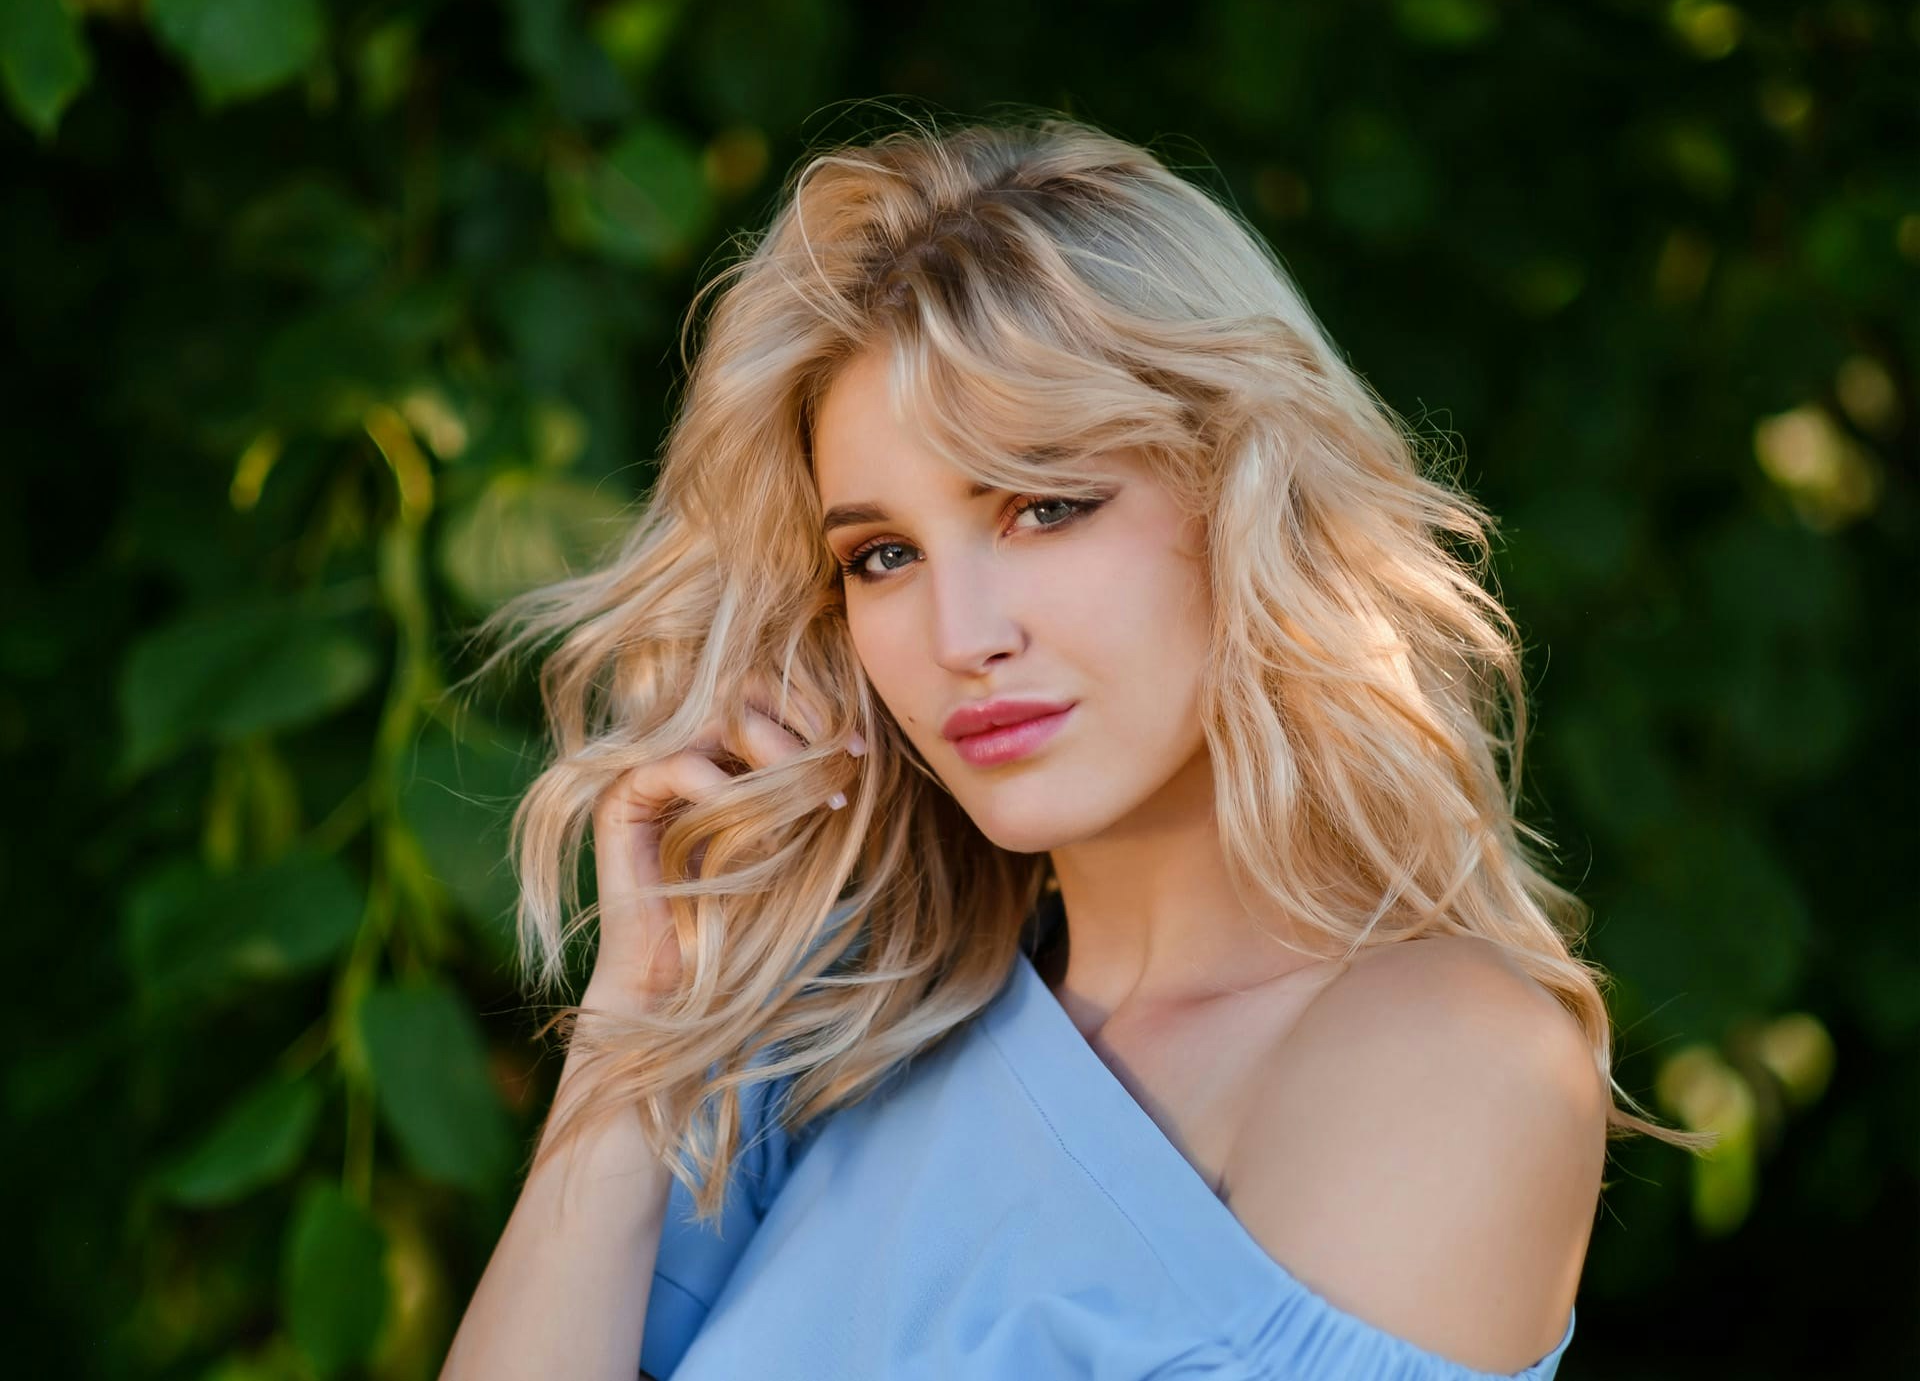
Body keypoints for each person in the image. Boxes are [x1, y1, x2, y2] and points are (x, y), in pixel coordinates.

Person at [439, 109, 1714, 1381]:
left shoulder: (1447, 1061)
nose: (961, 633)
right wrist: (635, 1038)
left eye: (1045, 507)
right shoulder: (821, 1054)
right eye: (883, 556)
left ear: (1245, 496)